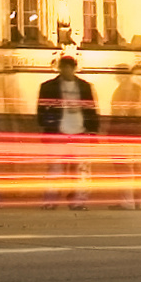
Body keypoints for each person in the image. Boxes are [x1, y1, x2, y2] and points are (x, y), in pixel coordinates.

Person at [37, 54, 101, 206]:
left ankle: (78, 200)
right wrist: (48, 124)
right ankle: (52, 200)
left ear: (73, 68)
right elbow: (41, 111)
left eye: (68, 68)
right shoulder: (48, 87)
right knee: (55, 170)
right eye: (63, 68)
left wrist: (92, 131)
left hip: (80, 132)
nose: (66, 71)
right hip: (58, 133)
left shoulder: (85, 87)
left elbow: (91, 110)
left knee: (80, 170)